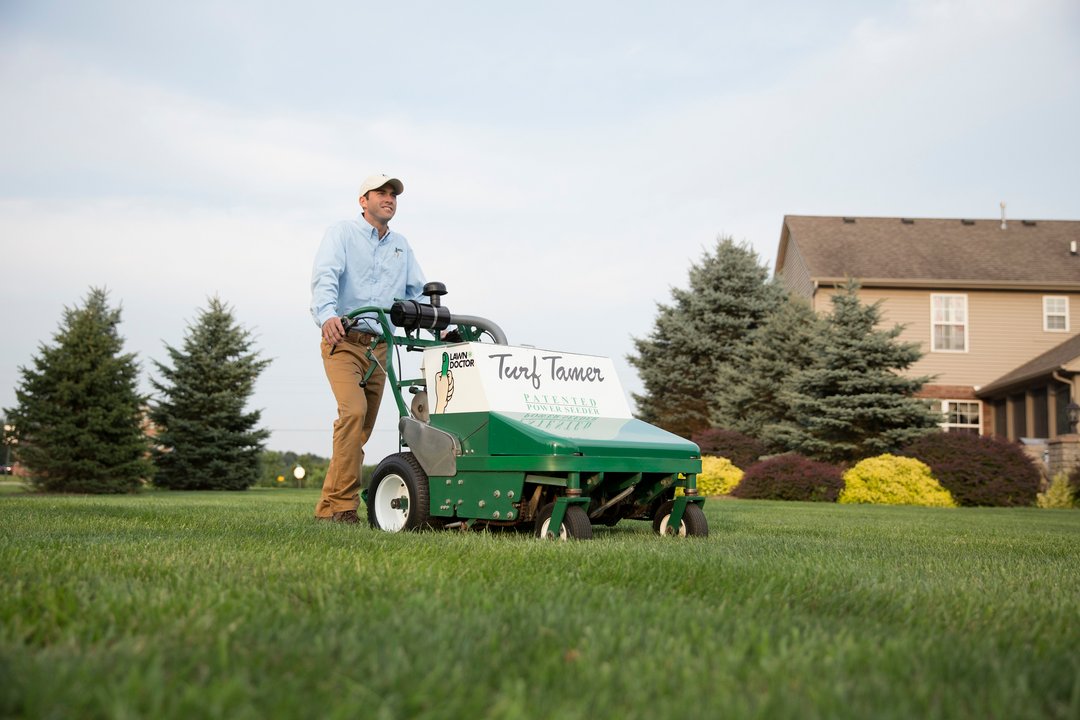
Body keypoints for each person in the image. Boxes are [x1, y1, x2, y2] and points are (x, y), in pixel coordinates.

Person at [310, 173, 426, 523]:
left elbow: (417, 294)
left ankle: (327, 508)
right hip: (343, 340)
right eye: (381, 193)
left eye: (394, 194)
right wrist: (327, 315)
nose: (389, 199)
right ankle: (344, 507)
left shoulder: (401, 246)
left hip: (380, 348)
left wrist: (445, 326)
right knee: (353, 413)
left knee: (359, 428)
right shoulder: (342, 233)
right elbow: (325, 277)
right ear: (364, 201)